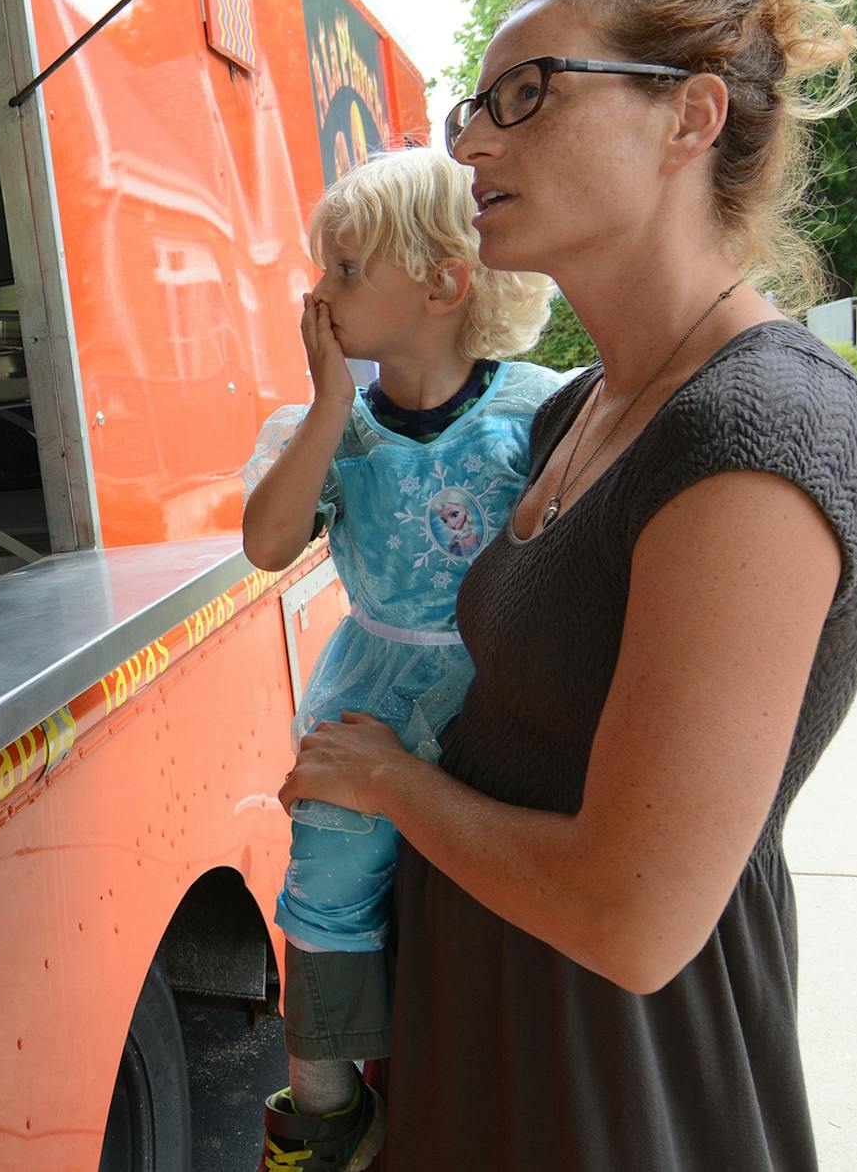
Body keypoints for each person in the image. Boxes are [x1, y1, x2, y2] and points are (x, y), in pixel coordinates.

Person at [278, 0, 857, 1170]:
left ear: (690, 118)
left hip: (617, 1083)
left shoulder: (761, 428)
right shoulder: (578, 406)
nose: (470, 140)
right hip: (485, 1037)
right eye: (470, 108)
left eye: (527, 95)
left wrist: (390, 781)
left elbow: (633, 917)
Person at [240, 147, 558, 1170]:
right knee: (328, 865)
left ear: (442, 281)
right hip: (375, 689)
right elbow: (267, 544)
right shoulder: (332, 433)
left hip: (498, 690)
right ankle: (324, 1106)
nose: (315, 291)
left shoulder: (540, 414)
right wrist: (330, 400)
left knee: (488, 888)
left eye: (342, 268)